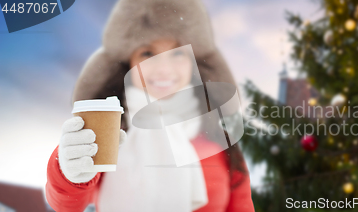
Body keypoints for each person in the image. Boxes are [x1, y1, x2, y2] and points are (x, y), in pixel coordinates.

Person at [45, 0, 254, 211]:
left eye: (178, 52)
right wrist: (68, 169)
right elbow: (68, 205)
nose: (164, 68)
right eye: (147, 53)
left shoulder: (221, 142)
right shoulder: (106, 132)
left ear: (194, 63)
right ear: (129, 64)